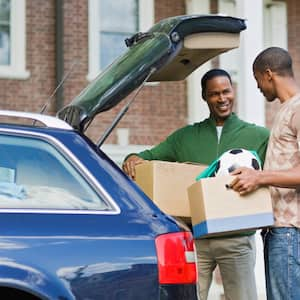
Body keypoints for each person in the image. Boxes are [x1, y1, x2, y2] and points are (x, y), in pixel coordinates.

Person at [122, 68, 269, 300]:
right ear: (204, 97)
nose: (222, 99)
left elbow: (275, 175)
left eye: (226, 91)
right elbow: (148, 156)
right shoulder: (185, 137)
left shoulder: (259, 136)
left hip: (237, 237)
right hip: (195, 238)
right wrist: (131, 159)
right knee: (189, 296)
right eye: (214, 94)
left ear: (233, 91)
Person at [229, 47, 300, 300]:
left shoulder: (298, 108)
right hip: (279, 232)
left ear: (268, 74)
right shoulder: (287, 109)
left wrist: (258, 177)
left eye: (257, 78)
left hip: (290, 232)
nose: (257, 86)